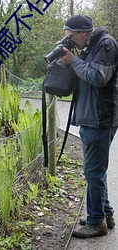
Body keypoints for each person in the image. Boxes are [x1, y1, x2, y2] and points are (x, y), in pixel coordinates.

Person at [60, 15, 118, 238]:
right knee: (95, 171)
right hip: (90, 117)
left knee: (93, 171)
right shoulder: (89, 46)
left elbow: (97, 77)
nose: (71, 41)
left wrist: (73, 61)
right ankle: (105, 214)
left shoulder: (106, 44)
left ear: (84, 32)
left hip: (100, 118)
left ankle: (96, 223)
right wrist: (70, 60)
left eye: (72, 37)